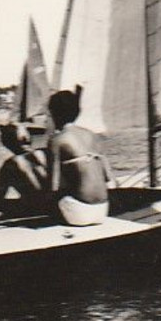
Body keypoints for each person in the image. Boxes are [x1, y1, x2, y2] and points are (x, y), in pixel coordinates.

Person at [47, 90, 114, 226]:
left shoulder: (57, 140)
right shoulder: (93, 136)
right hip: (102, 210)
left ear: (54, 114)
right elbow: (108, 178)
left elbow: (53, 185)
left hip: (79, 213)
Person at [0, 122, 48, 216]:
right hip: (55, 204)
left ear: (7, 143)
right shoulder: (44, 153)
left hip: (36, 208)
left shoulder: (10, 165)